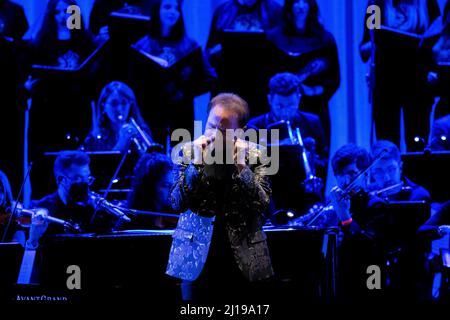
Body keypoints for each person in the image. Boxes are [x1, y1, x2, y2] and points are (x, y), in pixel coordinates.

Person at [166, 93, 273, 302]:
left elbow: (263, 205)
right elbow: (176, 202)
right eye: (211, 126)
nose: (214, 135)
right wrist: (197, 164)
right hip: (194, 253)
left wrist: (242, 167)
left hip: (245, 253)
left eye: (223, 130)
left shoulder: (257, 155)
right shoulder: (185, 152)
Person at [130, 0, 217, 145]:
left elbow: (210, 78)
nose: (173, 12)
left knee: (183, 158)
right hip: (152, 111)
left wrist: (186, 91)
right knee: (154, 155)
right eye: (167, 7)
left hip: (181, 111)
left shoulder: (190, 45)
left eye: (177, 9)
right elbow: (133, 80)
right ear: (157, 11)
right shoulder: (142, 46)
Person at [360, 0, 441, 150]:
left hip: (418, 82)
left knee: (418, 140)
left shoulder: (428, 4)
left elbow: (438, 41)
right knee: (387, 143)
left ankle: (416, 173)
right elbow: (366, 46)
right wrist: (381, 40)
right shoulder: (376, 4)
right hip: (386, 82)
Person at [25, 0, 99, 158]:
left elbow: (93, 80)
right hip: (47, 111)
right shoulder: (40, 43)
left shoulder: (86, 43)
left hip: (77, 109)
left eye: (67, 11)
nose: (62, 16)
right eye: (57, 12)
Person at [247, 72, 327, 215]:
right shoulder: (256, 126)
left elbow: (323, 159)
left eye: (291, 105)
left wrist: (311, 157)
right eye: (280, 106)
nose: (285, 111)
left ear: (299, 98)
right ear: (270, 100)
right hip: (269, 196)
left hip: (303, 195)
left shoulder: (312, 122)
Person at [266, 0, 340, 143]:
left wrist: (313, 90)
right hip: (281, 108)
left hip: (314, 107)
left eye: (305, 1)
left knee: (316, 155)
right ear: (289, 6)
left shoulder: (325, 39)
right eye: (296, 2)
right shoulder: (273, 38)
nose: (300, 6)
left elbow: (334, 78)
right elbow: (266, 75)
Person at [26, 151, 128, 250]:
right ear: (61, 179)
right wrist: (33, 239)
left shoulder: (95, 210)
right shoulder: (43, 209)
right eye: (78, 178)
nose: (85, 184)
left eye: (87, 178)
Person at [206, 0, 282, 117]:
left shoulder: (275, 10)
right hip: (229, 85)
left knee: (260, 133)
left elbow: (282, 52)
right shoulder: (223, 11)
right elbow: (210, 52)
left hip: (262, 88)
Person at [82, 81, 159, 154]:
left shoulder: (141, 130)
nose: (119, 109)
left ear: (130, 105)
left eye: (124, 103)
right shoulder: (95, 138)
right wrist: (121, 143)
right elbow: (104, 165)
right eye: (114, 103)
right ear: (103, 106)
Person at [127, 152, 177, 229]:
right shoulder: (133, 220)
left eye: (173, 185)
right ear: (150, 186)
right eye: (166, 185)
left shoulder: (174, 215)